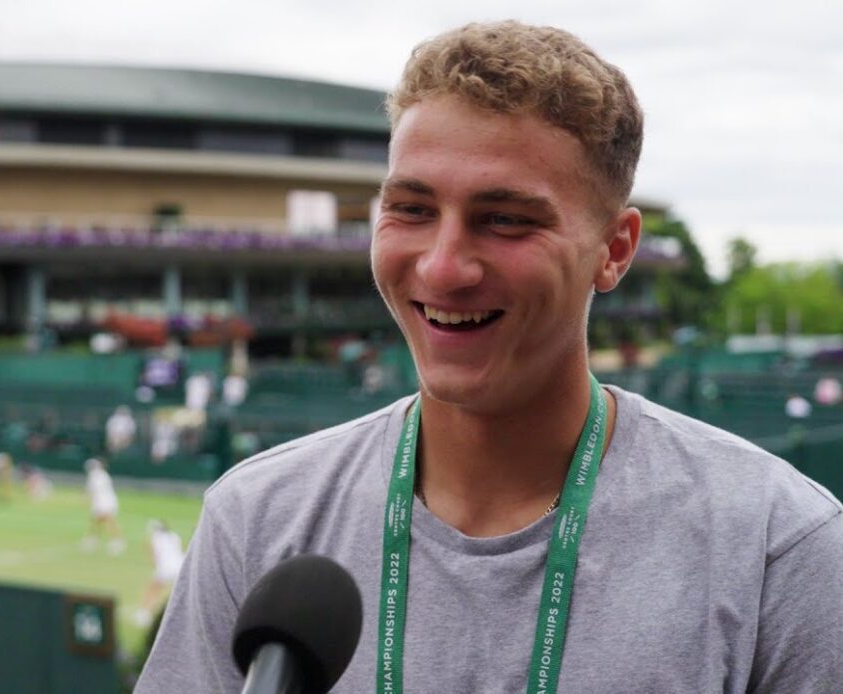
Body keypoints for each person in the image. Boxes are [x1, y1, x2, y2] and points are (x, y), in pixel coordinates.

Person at [138, 20, 843, 693]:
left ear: (615, 249)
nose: (443, 268)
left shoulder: (777, 548)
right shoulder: (258, 518)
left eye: (505, 219)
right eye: (411, 209)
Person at [135, 520, 186, 628]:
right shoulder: (174, 536)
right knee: (179, 592)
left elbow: (151, 551)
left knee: (152, 590)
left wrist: (156, 564)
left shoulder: (156, 537)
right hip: (180, 565)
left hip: (166, 566)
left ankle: (143, 614)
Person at [81, 457, 125, 554]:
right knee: (96, 521)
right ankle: (92, 539)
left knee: (109, 521)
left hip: (104, 502)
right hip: (104, 501)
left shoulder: (96, 475)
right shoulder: (102, 475)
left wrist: (85, 498)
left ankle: (117, 541)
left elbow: (91, 490)